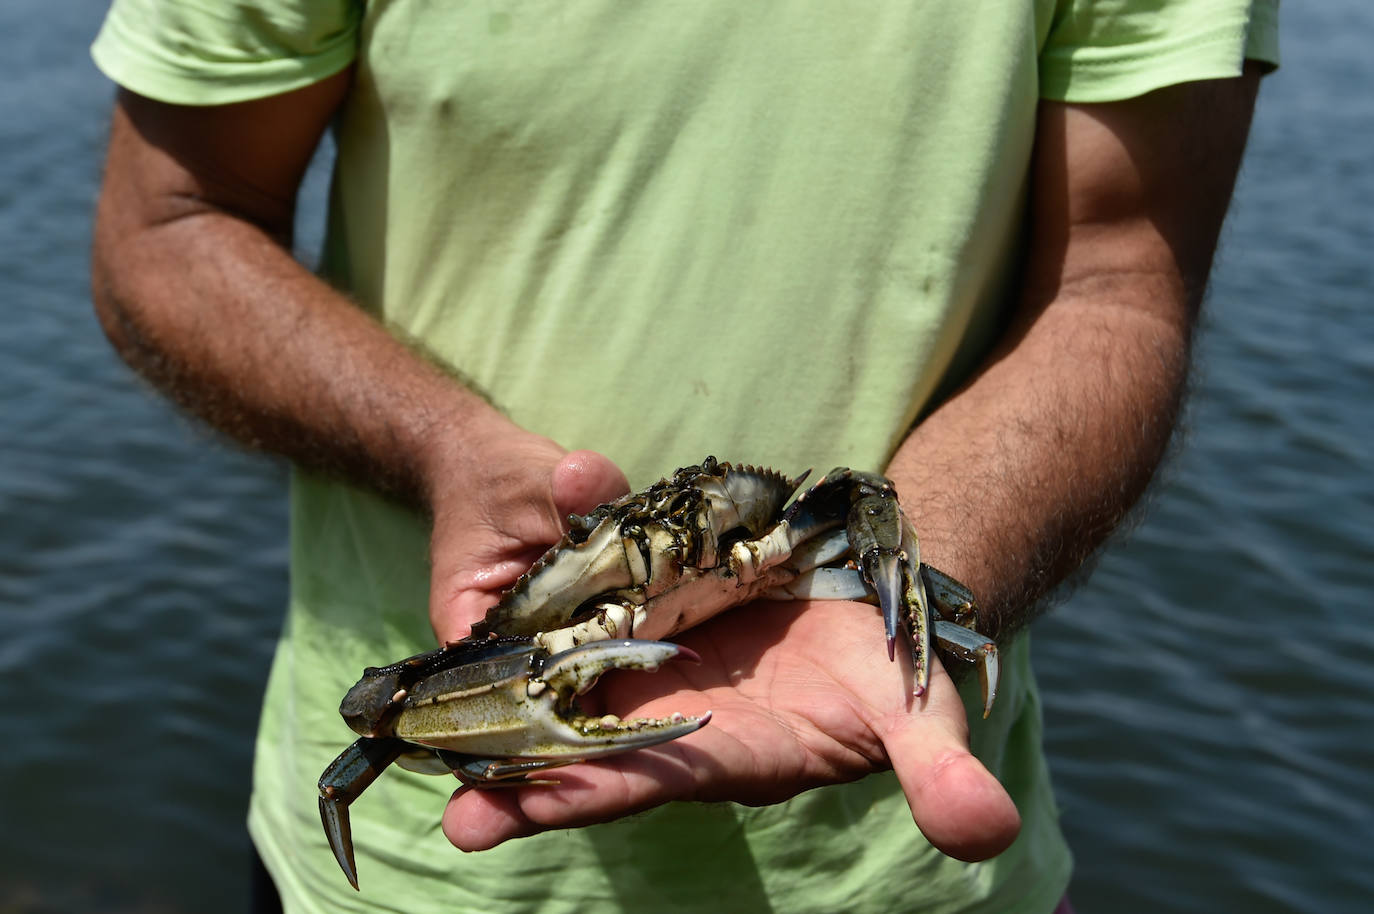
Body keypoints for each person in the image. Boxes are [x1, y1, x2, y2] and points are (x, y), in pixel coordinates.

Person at [90, 1, 1277, 911]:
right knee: (381, 713)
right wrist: (439, 445)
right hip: (417, 880)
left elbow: (1118, 282)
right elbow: (171, 220)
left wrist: (911, 576)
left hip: (917, 860)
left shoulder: (799, 526)